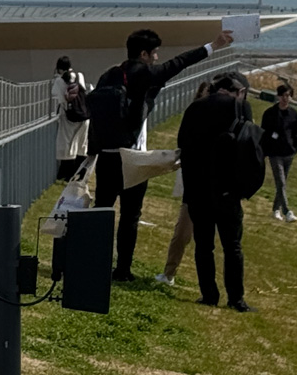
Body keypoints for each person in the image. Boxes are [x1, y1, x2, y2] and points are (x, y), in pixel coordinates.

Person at [90, 25, 234, 281]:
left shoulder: (111, 74)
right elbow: (179, 63)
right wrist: (213, 46)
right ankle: (122, 269)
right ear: (144, 54)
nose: (157, 58)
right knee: (130, 216)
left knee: (102, 211)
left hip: (107, 156)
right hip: (133, 158)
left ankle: (94, 262)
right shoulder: (142, 73)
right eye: (155, 53)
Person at [177, 72, 261, 311]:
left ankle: (209, 294)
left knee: (204, 246)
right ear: (237, 90)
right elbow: (249, 145)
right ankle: (236, 298)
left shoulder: (194, 108)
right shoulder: (240, 107)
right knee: (232, 245)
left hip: (198, 188)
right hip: (228, 188)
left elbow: (182, 143)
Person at [155, 81, 215, 287]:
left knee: (207, 240)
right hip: (193, 187)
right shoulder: (193, 118)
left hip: (213, 187)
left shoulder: (221, 121)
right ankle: (169, 272)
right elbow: (183, 144)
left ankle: (208, 285)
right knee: (182, 234)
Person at [260, 82, 297, 222]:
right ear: (278, 96)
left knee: (281, 183)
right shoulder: (270, 114)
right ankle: (287, 211)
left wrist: (295, 147)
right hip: (275, 153)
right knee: (281, 182)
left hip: (288, 152)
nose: (285, 98)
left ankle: (275, 209)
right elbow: (264, 133)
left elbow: (295, 133)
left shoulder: (294, 114)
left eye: (288, 96)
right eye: (283, 95)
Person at [52, 56, 91, 181]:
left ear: (59, 68)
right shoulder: (79, 76)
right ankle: (80, 173)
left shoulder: (59, 81)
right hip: (83, 116)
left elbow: (56, 96)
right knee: (81, 145)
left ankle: (66, 174)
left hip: (69, 116)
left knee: (67, 145)